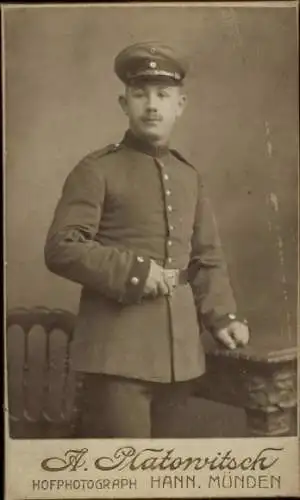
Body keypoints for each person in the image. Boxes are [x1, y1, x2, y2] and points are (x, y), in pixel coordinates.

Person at [44, 41, 250, 438]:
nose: (152, 105)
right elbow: (62, 247)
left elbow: (206, 257)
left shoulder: (189, 176)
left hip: (182, 358)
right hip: (116, 357)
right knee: (126, 480)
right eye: (140, 95)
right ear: (124, 104)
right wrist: (135, 272)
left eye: (163, 95)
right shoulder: (97, 170)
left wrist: (222, 317)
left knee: (169, 478)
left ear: (180, 104)